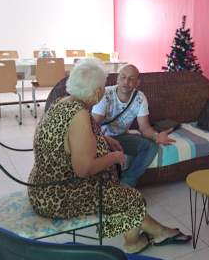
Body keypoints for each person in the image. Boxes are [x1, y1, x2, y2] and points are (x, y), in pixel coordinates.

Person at [27, 58, 191, 254]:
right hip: (58, 195)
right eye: (103, 87)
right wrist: (115, 158)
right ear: (97, 91)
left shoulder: (61, 103)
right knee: (132, 198)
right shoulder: (79, 114)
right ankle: (135, 244)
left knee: (120, 191)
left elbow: (73, 143)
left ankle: (161, 232)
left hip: (44, 185)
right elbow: (84, 169)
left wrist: (105, 141)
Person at [92, 64, 175, 187]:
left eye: (131, 78)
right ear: (117, 79)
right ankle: (104, 188)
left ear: (137, 82)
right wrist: (104, 140)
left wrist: (155, 136)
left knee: (151, 147)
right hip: (102, 137)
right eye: (123, 77)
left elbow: (145, 128)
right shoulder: (105, 94)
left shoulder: (140, 98)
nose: (126, 81)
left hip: (122, 138)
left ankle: (126, 183)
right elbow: (94, 128)